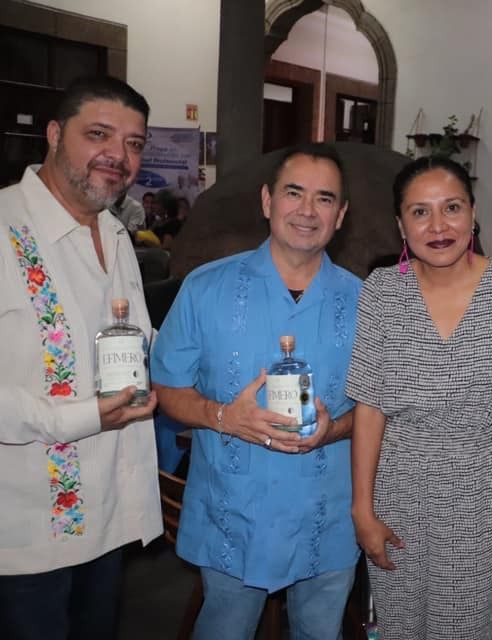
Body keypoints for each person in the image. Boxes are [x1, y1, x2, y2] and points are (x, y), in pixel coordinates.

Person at [150, 143, 361, 640]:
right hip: (232, 511)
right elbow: (167, 386)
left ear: (341, 215)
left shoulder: (366, 302)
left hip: (327, 514)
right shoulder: (205, 288)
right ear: (268, 200)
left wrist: (335, 429)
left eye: (325, 198)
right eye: (294, 193)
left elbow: (382, 409)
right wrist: (225, 417)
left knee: (320, 632)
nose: (307, 210)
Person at [347, 156, 492, 640]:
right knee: (398, 629)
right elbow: (369, 406)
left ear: (473, 214)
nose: (439, 226)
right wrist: (363, 510)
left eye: (452, 208)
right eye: (420, 212)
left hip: (481, 495)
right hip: (398, 493)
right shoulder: (382, 292)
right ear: (401, 225)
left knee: (466, 627)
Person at [0, 76, 162, 639]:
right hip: (25, 536)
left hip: (111, 516)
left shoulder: (116, 234)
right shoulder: (3, 227)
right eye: (98, 134)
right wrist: (82, 415)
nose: (118, 156)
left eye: (134, 143)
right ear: (53, 134)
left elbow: (133, 343)